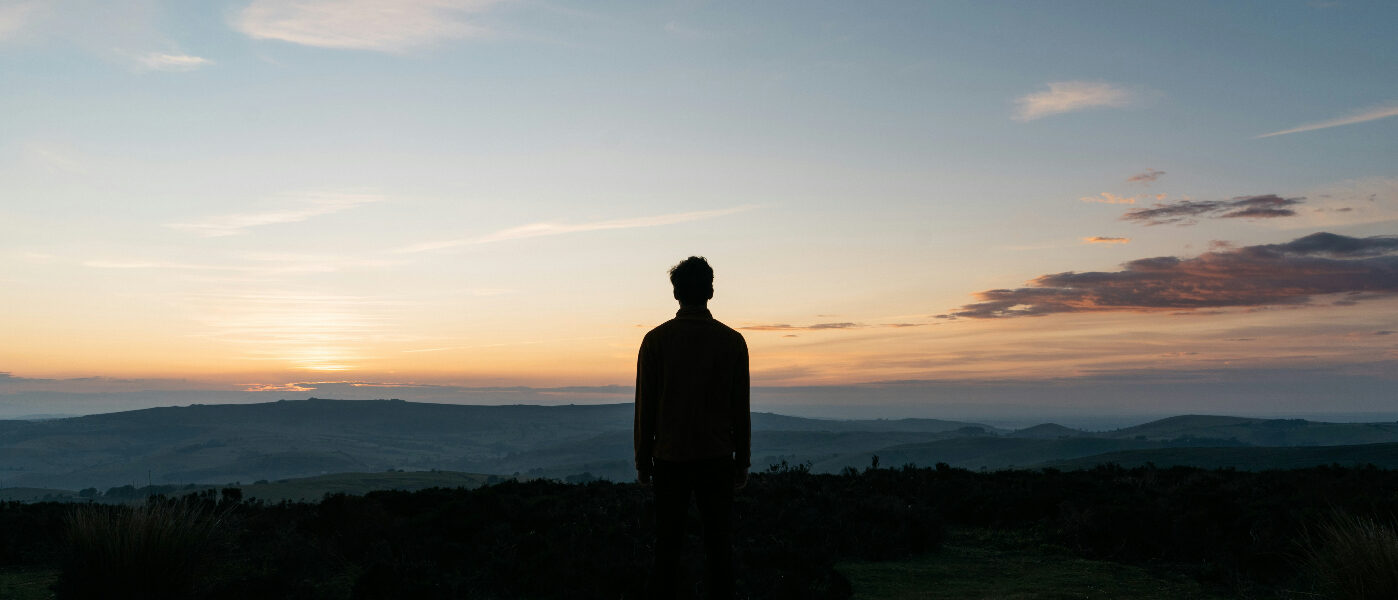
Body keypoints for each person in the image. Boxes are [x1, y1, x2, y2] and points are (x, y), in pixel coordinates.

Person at [634, 256, 750, 600]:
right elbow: (739, 408)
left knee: (667, 547)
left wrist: (643, 461)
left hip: (669, 459)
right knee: (719, 547)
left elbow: (646, 408)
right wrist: (742, 460)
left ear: (675, 294)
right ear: (711, 291)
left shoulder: (655, 341)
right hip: (717, 460)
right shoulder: (732, 341)